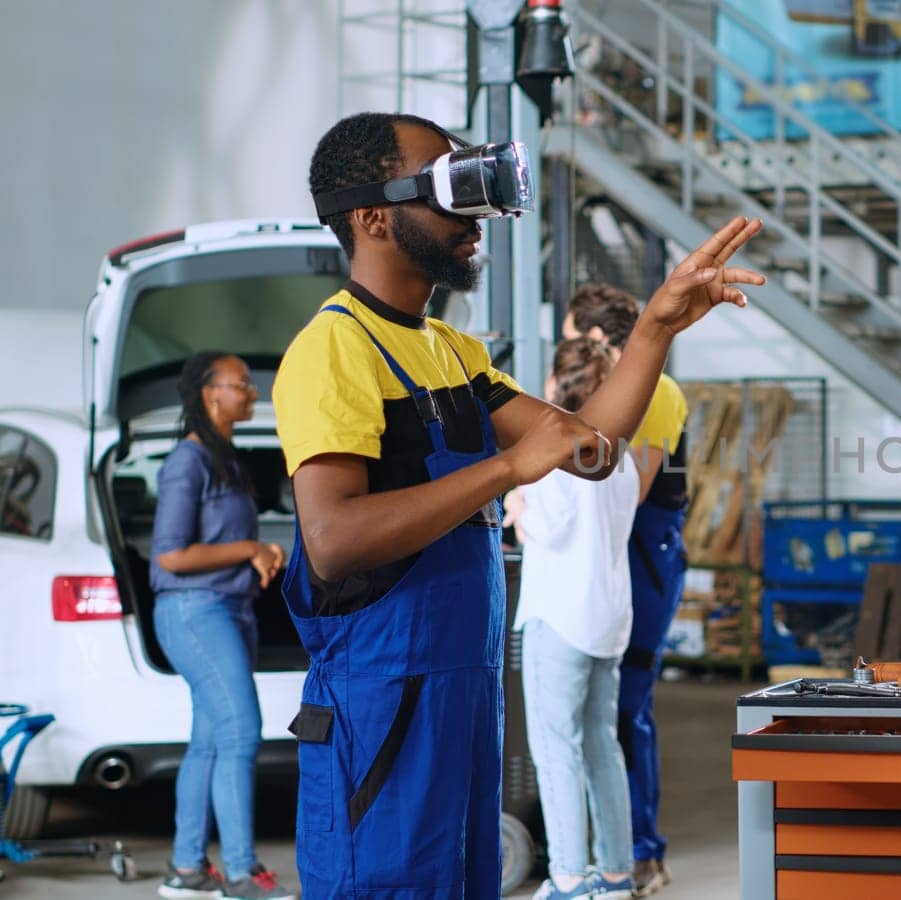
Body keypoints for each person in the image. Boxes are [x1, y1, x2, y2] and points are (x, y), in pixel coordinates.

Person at [272, 111, 762, 899]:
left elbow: (591, 450)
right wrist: (504, 469)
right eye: (446, 190)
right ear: (371, 216)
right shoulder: (333, 351)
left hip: (462, 693)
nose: (471, 216)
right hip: (380, 708)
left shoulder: (451, 352)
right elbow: (332, 539)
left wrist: (656, 329)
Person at [150, 352, 293, 900]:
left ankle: (187, 870)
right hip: (195, 612)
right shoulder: (188, 462)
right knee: (239, 733)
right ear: (211, 394)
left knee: (209, 744)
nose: (253, 393)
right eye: (243, 385)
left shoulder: (223, 456)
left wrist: (258, 553)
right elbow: (170, 555)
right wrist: (251, 546)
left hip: (227, 611)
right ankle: (239, 874)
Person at [564, 284, 689, 895]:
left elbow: (625, 492)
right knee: (597, 713)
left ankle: (642, 853)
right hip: (616, 554)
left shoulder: (656, 390)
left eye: (569, 336)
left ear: (593, 337)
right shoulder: (615, 387)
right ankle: (608, 848)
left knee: (623, 709)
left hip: (644, 552)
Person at [504, 338, 638, 900]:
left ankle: (566, 878)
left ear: (558, 386)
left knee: (556, 749)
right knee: (602, 746)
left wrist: (515, 504)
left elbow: (549, 525)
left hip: (559, 616)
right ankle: (614, 874)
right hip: (608, 617)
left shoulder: (558, 447)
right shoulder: (621, 453)